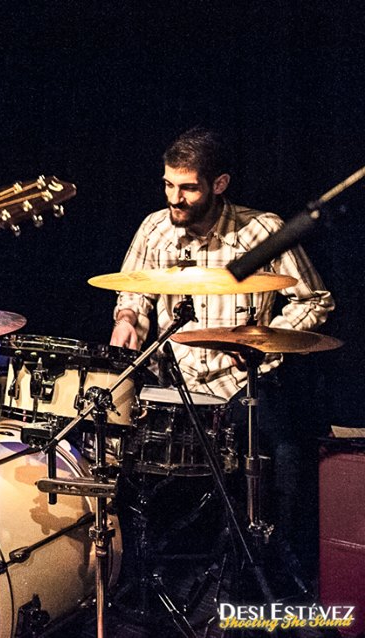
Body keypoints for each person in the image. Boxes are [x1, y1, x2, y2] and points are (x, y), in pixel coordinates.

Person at [109, 127, 334, 567]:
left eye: (188, 188)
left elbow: (315, 300)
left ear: (220, 184)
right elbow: (133, 294)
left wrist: (263, 342)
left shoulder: (262, 231)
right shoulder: (155, 229)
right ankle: (150, 568)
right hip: (174, 384)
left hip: (243, 382)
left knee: (284, 458)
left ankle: (266, 569)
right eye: (168, 185)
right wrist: (128, 321)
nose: (175, 198)